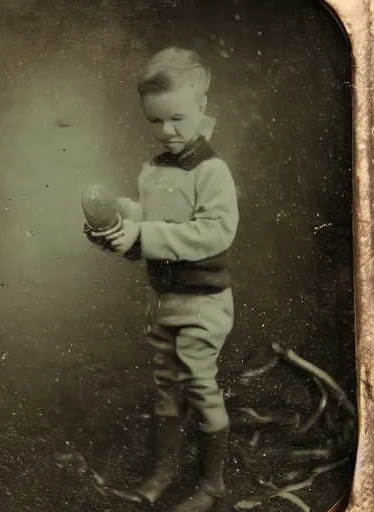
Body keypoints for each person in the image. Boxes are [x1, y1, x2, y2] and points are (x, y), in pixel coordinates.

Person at [84, 47, 239, 512]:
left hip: (203, 300)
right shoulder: (151, 170)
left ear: (202, 102)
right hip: (163, 298)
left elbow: (214, 232)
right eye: (155, 121)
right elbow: (149, 222)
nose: (166, 131)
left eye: (177, 118)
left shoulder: (212, 171)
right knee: (165, 386)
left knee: (198, 382)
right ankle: (164, 473)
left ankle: (213, 486)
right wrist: (116, 223)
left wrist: (141, 233)